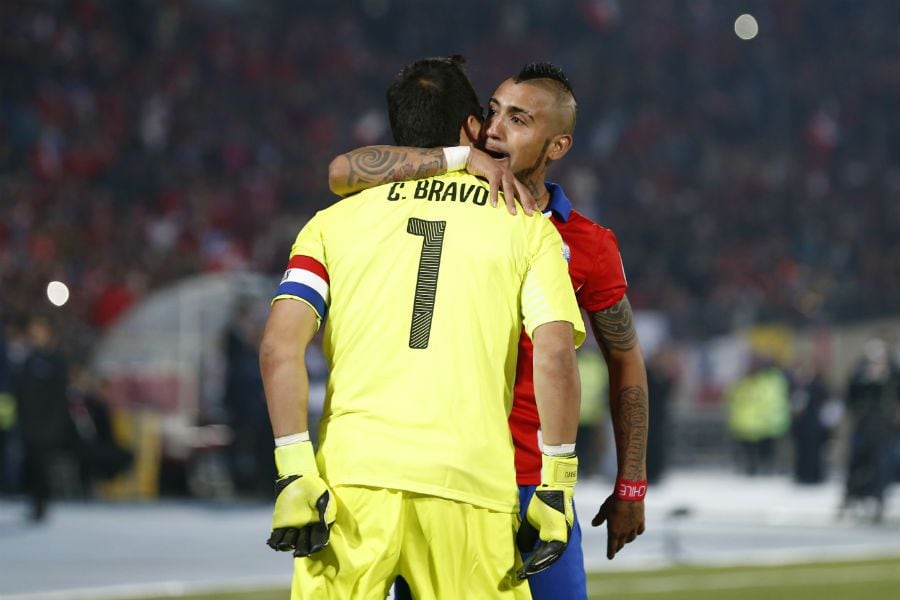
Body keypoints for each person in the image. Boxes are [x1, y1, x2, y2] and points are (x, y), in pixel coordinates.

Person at [260, 56, 586, 600]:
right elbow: (555, 355)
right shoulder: (526, 224)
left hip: (350, 484)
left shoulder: (330, 224)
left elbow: (277, 348)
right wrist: (557, 485)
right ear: (470, 128)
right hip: (470, 485)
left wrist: (295, 470)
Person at [329, 62, 648, 599]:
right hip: (442, 480)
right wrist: (459, 158)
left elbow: (625, 358)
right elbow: (344, 171)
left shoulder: (586, 244)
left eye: (519, 120)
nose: (495, 129)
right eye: (492, 113)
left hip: (533, 481)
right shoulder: (436, 197)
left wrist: (631, 483)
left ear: (557, 145)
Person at [15, 314, 70, 521]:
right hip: (29, 423)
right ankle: (34, 501)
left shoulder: (56, 360)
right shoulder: (30, 359)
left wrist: (54, 423)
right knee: (32, 463)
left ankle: (42, 503)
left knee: (42, 465)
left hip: (47, 424)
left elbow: (59, 395)